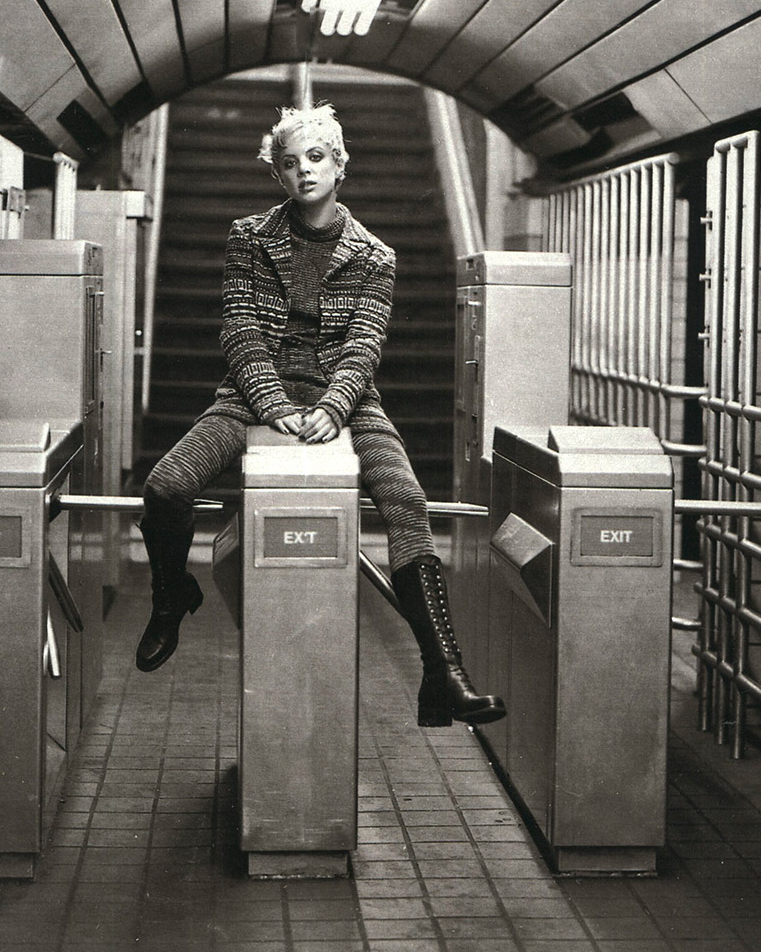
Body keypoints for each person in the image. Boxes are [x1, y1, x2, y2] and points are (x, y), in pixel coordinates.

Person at [136, 102, 505, 728]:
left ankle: (444, 673)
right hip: (251, 396)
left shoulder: (376, 255)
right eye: (289, 162)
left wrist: (335, 405)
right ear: (276, 174)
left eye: (315, 157)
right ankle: (172, 597)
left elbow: (365, 343)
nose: (303, 170)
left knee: (407, 500)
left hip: (349, 401)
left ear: (339, 165)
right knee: (166, 485)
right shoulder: (249, 236)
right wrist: (273, 404)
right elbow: (240, 329)